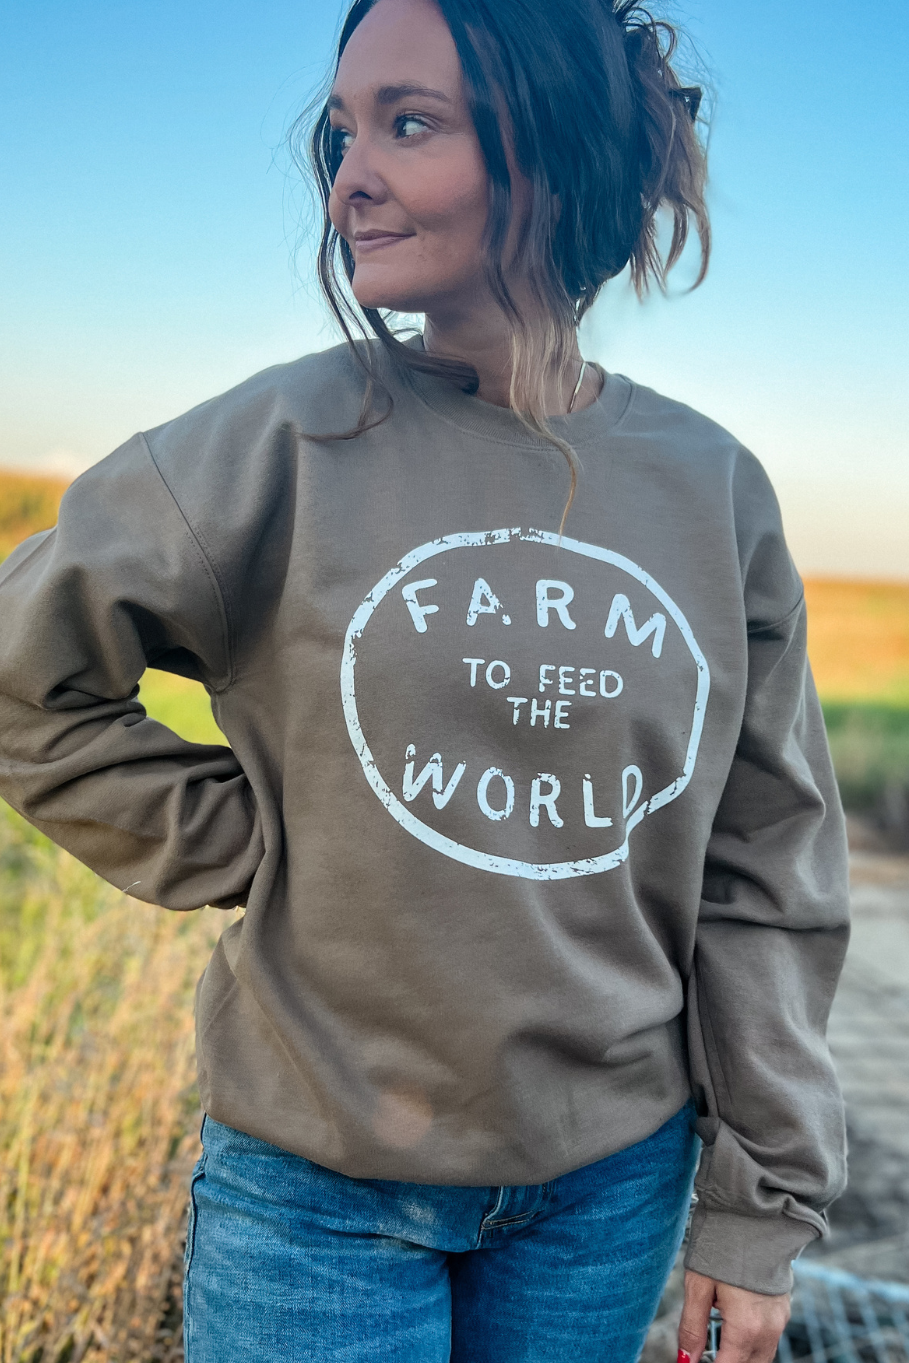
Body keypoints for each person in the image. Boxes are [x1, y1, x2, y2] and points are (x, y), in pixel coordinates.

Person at [0, 0, 851, 1359]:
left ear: (550, 156)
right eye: (342, 131)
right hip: (317, 1196)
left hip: (607, 1193)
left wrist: (758, 1211)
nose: (349, 177)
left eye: (410, 124)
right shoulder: (274, 443)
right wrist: (253, 836)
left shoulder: (711, 489)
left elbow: (769, 868)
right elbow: (21, 671)